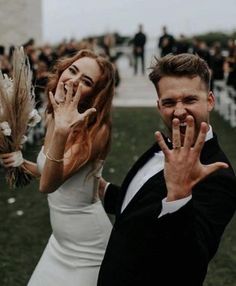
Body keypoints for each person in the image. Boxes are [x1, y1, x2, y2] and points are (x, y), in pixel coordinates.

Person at [97, 53, 236, 286]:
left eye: (190, 100)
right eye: (169, 102)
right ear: (159, 105)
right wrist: (103, 189)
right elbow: (143, 207)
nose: (179, 111)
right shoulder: (167, 141)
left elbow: (190, 264)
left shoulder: (219, 175)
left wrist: (179, 196)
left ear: (210, 100)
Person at [0, 49, 115, 285]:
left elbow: (49, 184)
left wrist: (62, 131)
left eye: (86, 81)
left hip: (88, 248)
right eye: (72, 70)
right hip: (59, 242)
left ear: (95, 95)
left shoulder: (97, 130)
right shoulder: (53, 114)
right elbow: (49, 170)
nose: (73, 80)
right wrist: (20, 162)